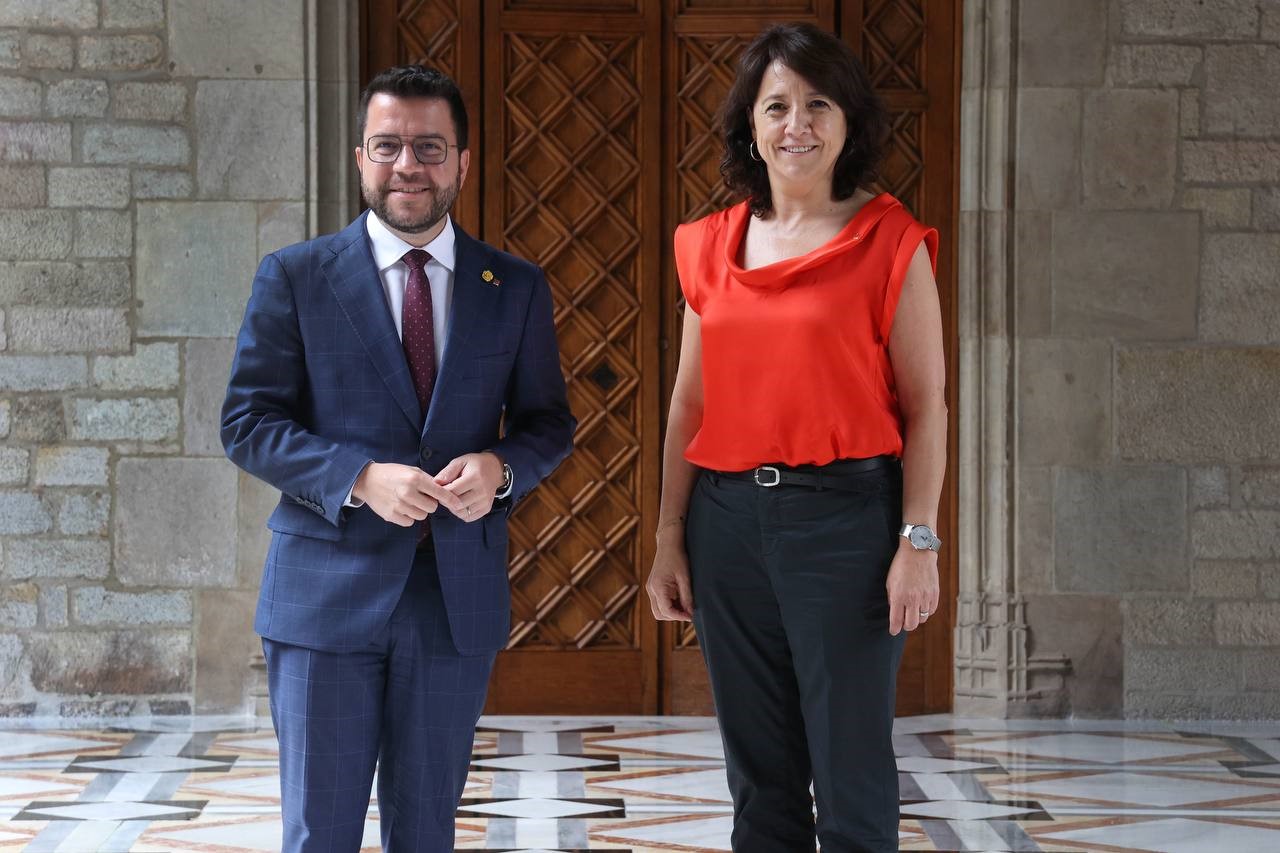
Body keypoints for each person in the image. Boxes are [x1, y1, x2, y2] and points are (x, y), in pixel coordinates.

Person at [221, 65, 575, 852]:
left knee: (427, 831)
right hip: (324, 599)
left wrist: (502, 469)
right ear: (359, 157)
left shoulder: (512, 286)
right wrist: (355, 478)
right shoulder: (297, 276)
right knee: (322, 833)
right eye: (387, 146)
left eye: (428, 146)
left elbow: (549, 422)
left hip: (451, 599)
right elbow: (246, 421)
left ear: (463, 161)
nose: (407, 164)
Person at [644, 22, 946, 853]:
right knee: (760, 777)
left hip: (849, 524)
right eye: (776, 105)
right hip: (728, 525)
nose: (797, 124)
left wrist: (917, 539)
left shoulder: (890, 239)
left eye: (818, 104)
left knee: (850, 773)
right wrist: (670, 536)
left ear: (849, 121)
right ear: (750, 125)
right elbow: (686, 406)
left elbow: (929, 404)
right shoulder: (707, 245)